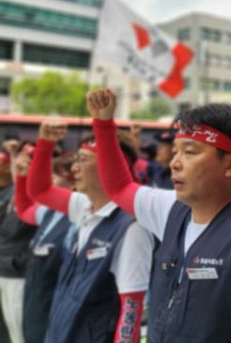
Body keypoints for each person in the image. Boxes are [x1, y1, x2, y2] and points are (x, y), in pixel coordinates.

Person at [86, 89, 231, 342]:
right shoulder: (170, 210)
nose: (175, 162)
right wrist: (104, 124)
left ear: (230, 165)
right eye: (175, 151)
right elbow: (119, 187)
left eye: (190, 152)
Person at [27, 120, 153, 343]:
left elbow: (131, 307)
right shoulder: (83, 205)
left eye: (83, 160)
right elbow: (39, 190)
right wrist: (45, 143)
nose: (74, 167)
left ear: (111, 165)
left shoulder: (132, 228)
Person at [13, 148, 75, 343]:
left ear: (73, 182)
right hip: (35, 295)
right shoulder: (49, 211)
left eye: (55, 176)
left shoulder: (79, 218)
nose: (50, 182)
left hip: (54, 300)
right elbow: (23, 210)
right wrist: (22, 179)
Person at [0, 147, 36, 343]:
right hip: (4, 267)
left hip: (16, 271)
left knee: (18, 333)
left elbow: (16, 229)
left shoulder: (26, 192)